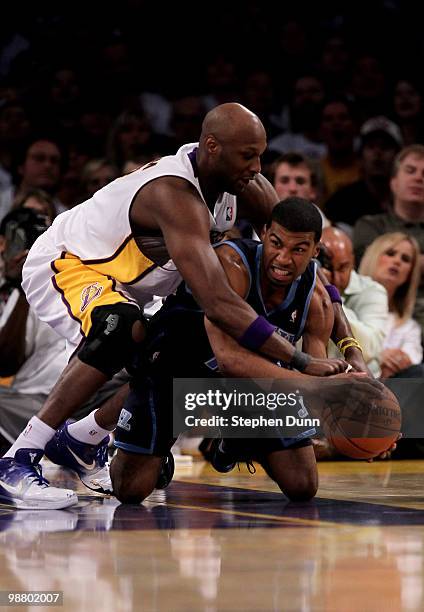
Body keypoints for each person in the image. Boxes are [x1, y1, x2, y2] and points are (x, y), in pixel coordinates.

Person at [0, 103, 358, 510]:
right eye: (248, 155)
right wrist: (300, 361)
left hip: (135, 285)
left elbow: (306, 263)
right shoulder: (174, 193)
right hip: (71, 261)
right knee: (120, 328)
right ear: (212, 147)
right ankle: (18, 459)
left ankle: (82, 441)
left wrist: (349, 348)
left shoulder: (248, 186)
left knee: (168, 350)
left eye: (261, 154)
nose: (257, 166)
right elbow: (220, 303)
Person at [110, 198, 382, 504]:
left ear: (314, 251)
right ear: (264, 234)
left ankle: (237, 436)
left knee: (303, 483)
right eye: (276, 243)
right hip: (175, 369)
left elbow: (313, 371)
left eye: (298, 249)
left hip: (249, 386)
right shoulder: (230, 265)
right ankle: (146, 448)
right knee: (131, 490)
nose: (283, 258)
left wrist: (368, 424)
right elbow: (230, 359)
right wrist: (320, 386)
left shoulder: (316, 297)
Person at [353, 144, 424, 332]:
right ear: (393, 182)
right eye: (410, 171)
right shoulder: (369, 225)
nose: (418, 178)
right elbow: (369, 265)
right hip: (376, 313)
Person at [320, 227, 388, 377]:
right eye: (327, 268)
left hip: (362, 382)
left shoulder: (372, 290)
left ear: (353, 261)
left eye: (343, 267)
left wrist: (328, 294)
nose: (336, 278)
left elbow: (370, 348)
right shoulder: (300, 285)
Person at [359, 233, 422, 378]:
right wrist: (378, 358)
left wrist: (392, 363)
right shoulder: (346, 303)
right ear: (373, 257)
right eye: (390, 253)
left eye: (405, 259)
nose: (397, 261)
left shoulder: (409, 326)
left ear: (410, 273)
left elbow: (410, 362)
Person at [271, 152, 330, 228]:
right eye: (284, 181)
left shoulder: (333, 236)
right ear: (271, 188)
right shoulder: (256, 227)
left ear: (313, 191)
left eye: (300, 182)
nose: (292, 188)